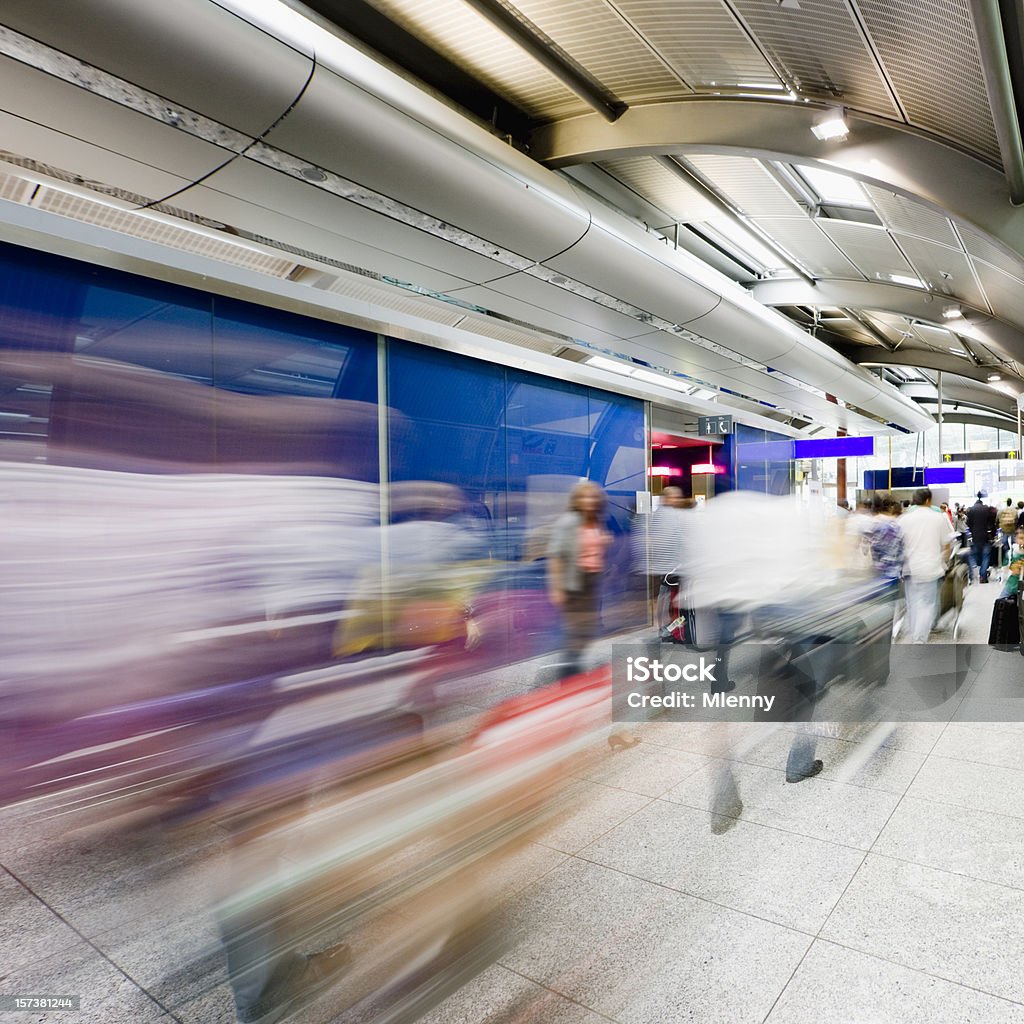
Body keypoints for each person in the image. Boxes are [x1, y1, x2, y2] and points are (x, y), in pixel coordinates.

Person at [547, 480, 612, 680]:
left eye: (592, 497)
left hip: (592, 581)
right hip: (574, 582)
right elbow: (556, 556)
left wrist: (603, 542)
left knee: (587, 629)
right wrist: (556, 588)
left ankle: (573, 667)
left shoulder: (595, 520)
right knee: (576, 630)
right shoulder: (569, 522)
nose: (589, 500)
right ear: (576, 500)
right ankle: (566, 674)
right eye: (584, 496)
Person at [898, 488, 953, 643]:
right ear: (928, 500)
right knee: (927, 604)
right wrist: (944, 560)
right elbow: (946, 544)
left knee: (913, 603)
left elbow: (898, 543)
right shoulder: (938, 518)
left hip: (909, 568)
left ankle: (916, 632)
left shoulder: (904, 518)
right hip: (930, 567)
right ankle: (919, 638)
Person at [966, 491, 996, 583]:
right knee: (985, 556)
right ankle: (983, 576)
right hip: (986, 536)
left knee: (972, 555)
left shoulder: (971, 510)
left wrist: (972, 530)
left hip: (975, 536)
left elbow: (968, 523)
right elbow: (992, 523)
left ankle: (973, 574)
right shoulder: (987, 509)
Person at [999, 528, 1024, 599]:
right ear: (1016, 539)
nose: (1023, 541)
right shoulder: (1010, 554)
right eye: (1021, 538)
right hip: (1012, 586)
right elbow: (1004, 570)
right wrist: (1012, 571)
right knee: (1000, 604)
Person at [999, 498, 1018, 567]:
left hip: (1004, 529)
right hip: (1012, 528)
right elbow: (1016, 519)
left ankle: (1006, 558)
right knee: (1013, 543)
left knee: (1005, 543)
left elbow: (999, 518)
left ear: (1007, 503)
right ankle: (1013, 556)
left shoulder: (1003, 510)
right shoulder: (1014, 510)